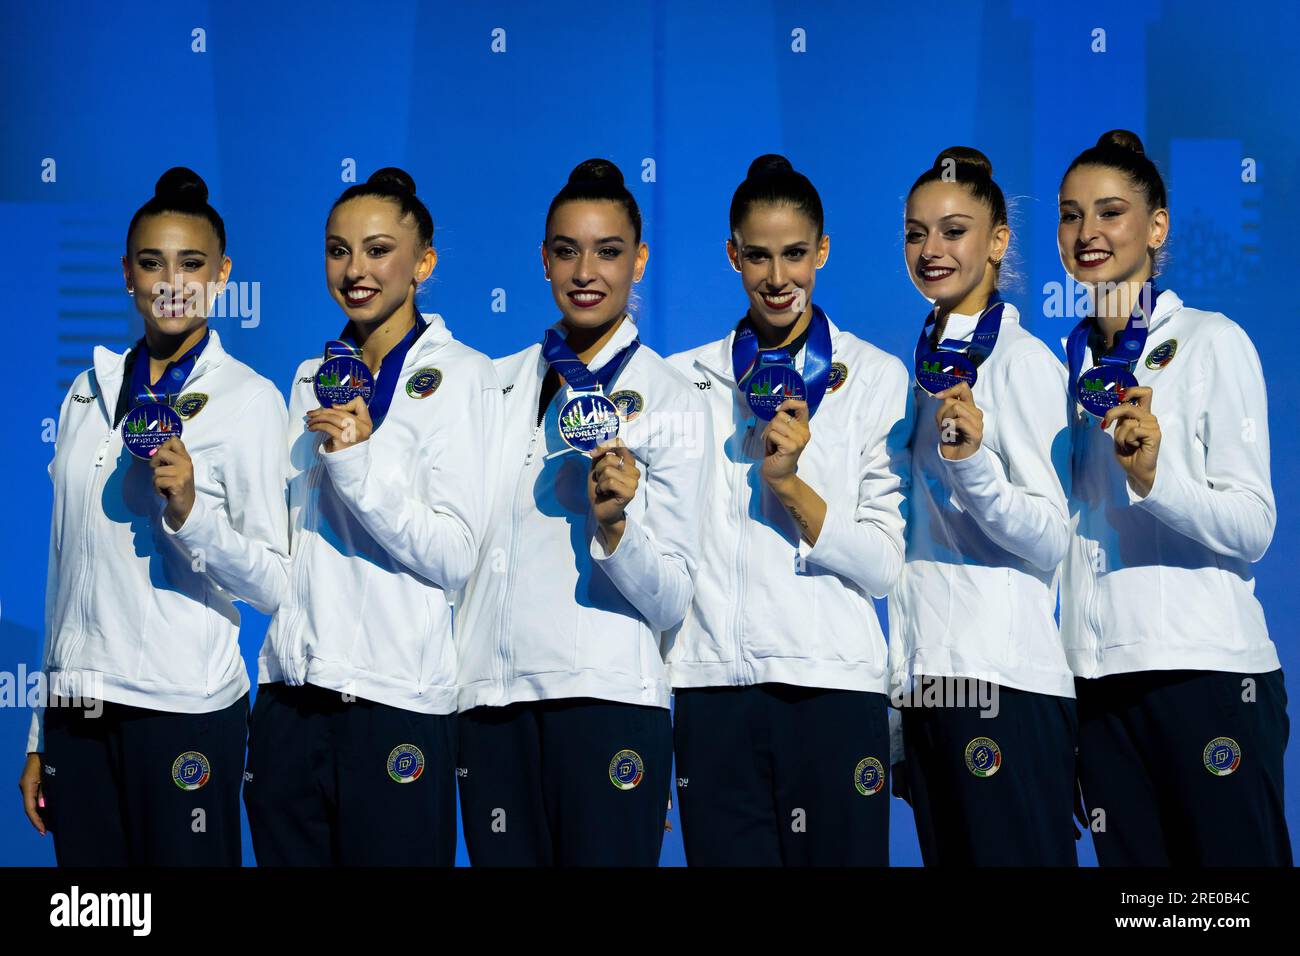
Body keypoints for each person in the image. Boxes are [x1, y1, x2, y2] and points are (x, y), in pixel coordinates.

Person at [17, 167, 289, 866]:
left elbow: (276, 584)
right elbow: (62, 564)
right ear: (127, 275)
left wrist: (192, 512)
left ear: (222, 275)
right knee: (99, 916)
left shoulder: (249, 400)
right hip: (78, 716)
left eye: (191, 264)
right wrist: (40, 733)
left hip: (183, 711)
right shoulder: (87, 390)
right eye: (152, 262)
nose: (171, 280)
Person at [455, 158, 710, 866]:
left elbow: (675, 598)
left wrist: (617, 527)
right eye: (567, 250)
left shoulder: (673, 398)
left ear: (640, 261)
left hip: (608, 706)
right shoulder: (491, 385)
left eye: (608, 251)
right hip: (492, 706)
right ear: (543, 259)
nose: (585, 271)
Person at [243, 167, 500, 866]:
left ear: (423, 262)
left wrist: (358, 466)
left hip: (397, 707)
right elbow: (285, 548)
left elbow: (454, 555)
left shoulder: (466, 377)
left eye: (378, 249)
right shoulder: (307, 378)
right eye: (338, 250)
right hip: (289, 703)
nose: (355, 270)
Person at [665, 154, 912, 866]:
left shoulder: (874, 377)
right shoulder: (684, 381)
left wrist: (793, 489)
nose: (779, 279)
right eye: (760, 257)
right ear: (732, 255)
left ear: (823, 251)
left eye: (797, 255)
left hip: (833, 694)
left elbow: (884, 566)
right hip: (713, 695)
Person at [1060, 130, 1290, 866]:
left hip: (1208, 678)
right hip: (1098, 687)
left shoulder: (1212, 341)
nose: (1088, 233)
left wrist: (1156, 480)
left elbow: (1254, 525)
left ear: (1157, 227)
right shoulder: (1063, 365)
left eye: (1110, 212)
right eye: (1071, 215)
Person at [888, 147, 1077, 865]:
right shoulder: (922, 369)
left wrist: (975, 469)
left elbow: (1051, 536)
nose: (931, 249)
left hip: (1004, 684)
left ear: (998, 241)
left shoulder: (1023, 363)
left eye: (954, 230)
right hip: (934, 687)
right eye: (916, 232)